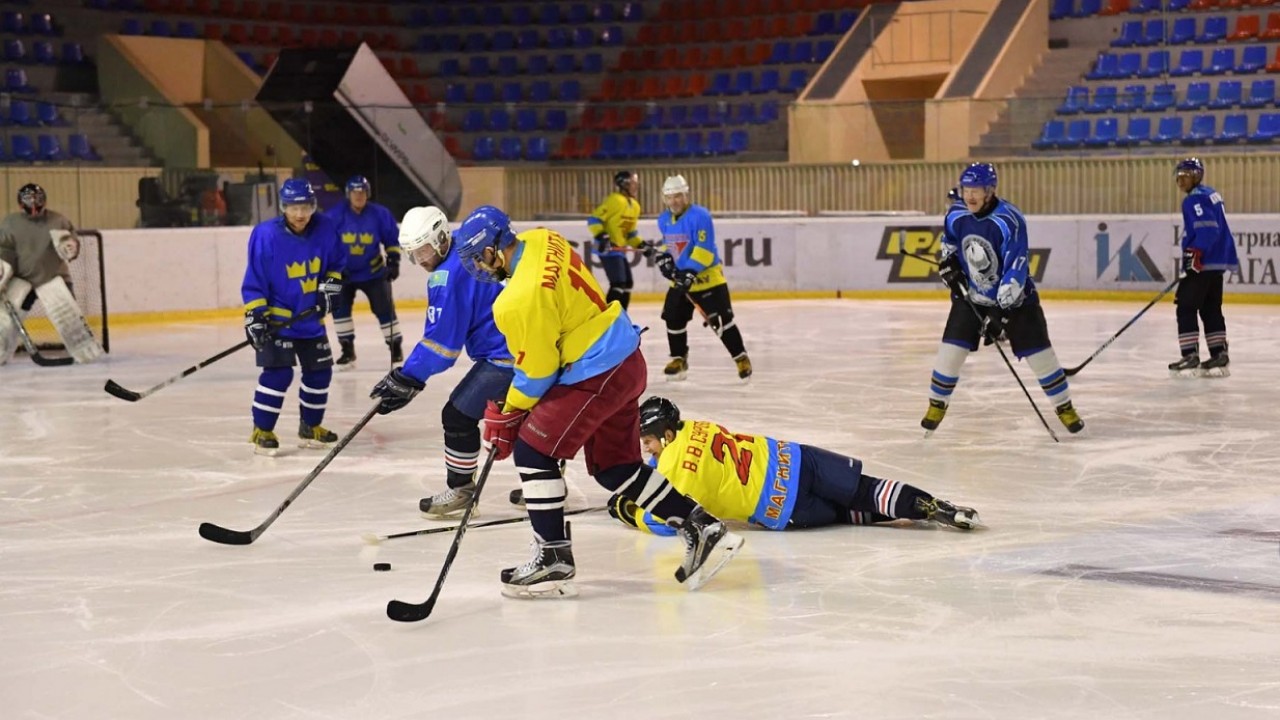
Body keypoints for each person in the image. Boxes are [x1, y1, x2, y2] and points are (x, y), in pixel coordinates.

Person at [453, 205, 743, 598]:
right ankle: (699, 525)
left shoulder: (516, 300)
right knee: (614, 467)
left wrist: (509, 411)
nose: (479, 269)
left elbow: (538, 373)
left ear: (491, 251)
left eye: (477, 259)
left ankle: (553, 554)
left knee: (532, 452)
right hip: (624, 356)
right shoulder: (542, 238)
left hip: (596, 373)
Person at [608, 396, 980, 535]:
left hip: (784, 506)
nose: (648, 453)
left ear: (667, 435)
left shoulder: (673, 470)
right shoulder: (698, 426)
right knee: (865, 489)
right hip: (795, 458)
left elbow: (663, 521)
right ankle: (933, 505)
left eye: (650, 443)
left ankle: (916, 515)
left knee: (846, 513)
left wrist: (627, 508)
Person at [366, 206, 514, 517]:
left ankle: (461, 490)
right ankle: (551, 481)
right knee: (527, 418)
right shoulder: (467, 239)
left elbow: (442, 347)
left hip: (506, 355)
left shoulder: (446, 277)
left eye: (424, 251)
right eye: (413, 254)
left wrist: (408, 377)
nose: (421, 261)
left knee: (457, 415)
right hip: (528, 346)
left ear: (441, 238)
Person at [922, 162, 1084, 436]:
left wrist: (1000, 314)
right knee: (950, 352)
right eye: (966, 189)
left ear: (990, 191)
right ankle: (937, 403)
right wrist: (948, 267)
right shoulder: (955, 214)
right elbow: (949, 248)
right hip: (972, 296)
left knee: (1041, 357)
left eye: (977, 190)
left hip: (1018, 301)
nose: (970, 196)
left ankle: (1064, 406)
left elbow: (1015, 269)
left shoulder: (1009, 219)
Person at [242, 179, 347, 456]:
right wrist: (255, 316)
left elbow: (336, 266)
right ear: (283, 207)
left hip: (311, 321)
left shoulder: (325, 229)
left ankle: (310, 427)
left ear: (313, 205)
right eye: (293, 207)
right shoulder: (265, 235)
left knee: (320, 372)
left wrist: (330, 289)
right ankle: (261, 431)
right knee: (278, 374)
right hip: (277, 322)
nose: (300, 214)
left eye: (305, 207)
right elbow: (255, 280)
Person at [654, 174, 752, 382]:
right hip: (681, 280)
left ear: (686, 195)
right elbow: (670, 245)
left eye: (678, 196)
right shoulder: (663, 220)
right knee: (673, 317)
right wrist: (664, 258)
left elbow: (704, 249)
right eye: (670, 197)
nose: (674, 201)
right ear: (664, 198)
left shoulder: (701, 216)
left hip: (708, 278)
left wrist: (689, 272)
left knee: (721, 321)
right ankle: (679, 358)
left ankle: (741, 357)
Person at [0, 183, 103, 365]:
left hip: (54, 278)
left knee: (69, 319)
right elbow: (4, 250)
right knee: (4, 320)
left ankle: (85, 352)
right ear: (20, 204)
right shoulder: (10, 223)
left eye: (37, 202)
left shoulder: (58, 220)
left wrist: (72, 246)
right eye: (28, 203)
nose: (33, 207)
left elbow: (71, 242)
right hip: (22, 279)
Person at [1169, 157, 1239, 378]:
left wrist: (1195, 253)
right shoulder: (1211, 194)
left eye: (1185, 177)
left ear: (1196, 176)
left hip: (1204, 261)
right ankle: (1219, 353)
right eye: (1179, 178)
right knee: (1210, 308)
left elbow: (1208, 229)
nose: (1181, 182)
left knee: (1186, 306)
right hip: (1217, 261)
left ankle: (1190, 355)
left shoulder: (1194, 200)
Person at [324, 175, 403, 370]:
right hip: (344, 274)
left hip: (373, 272)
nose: (358, 196)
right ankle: (347, 350)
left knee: (384, 309)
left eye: (362, 192)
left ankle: (395, 346)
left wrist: (393, 261)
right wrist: (333, 268)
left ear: (367, 194)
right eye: (355, 193)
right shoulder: (334, 216)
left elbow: (392, 240)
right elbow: (325, 244)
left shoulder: (380, 214)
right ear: (348, 194)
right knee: (339, 311)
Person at [587, 169, 648, 309]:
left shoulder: (635, 206)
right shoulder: (614, 200)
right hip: (607, 249)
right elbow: (594, 220)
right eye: (633, 183)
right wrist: (602, 236)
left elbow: (631, 234)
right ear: (624, 184)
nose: (636, 186)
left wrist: (642, 244)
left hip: (618, 250)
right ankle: (608, 320)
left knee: (627, 284)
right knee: (618, 284)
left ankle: (622, 318)